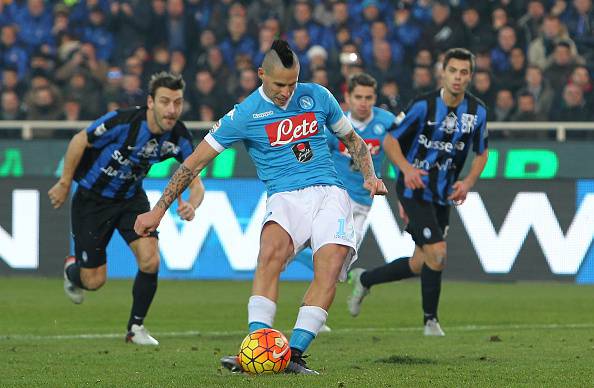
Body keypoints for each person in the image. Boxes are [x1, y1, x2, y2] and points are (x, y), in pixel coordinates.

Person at [134, 40, 386, 374]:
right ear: (261, 74)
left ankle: (293, 356)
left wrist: (370, 176)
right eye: (279, 84)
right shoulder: (244, 114)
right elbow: (191, 165)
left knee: (330, 267)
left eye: (292, 83)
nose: (286, 92)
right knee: (269, 256)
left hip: (330, 192)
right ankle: (256, 347)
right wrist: (157, 211)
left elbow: (353, 141)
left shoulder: (319, 96)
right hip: (284, 196)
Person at [48, 72, 204, 345]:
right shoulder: (123, 122)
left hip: (131, 200)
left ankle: (136, 329)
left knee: (150, 260)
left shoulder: (179, 136)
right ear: (150, 102)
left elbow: (196, 181)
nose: (171, 110)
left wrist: (192, 203)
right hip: (92, 201)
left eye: (177, 103)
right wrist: (64, 182)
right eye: (165, 101)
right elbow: (79, 140)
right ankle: (73, 270)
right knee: (94, 281)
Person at [347, 48, 489, 337]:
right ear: (443, 72)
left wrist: (468, 181)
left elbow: (482, 152)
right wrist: (407, 170)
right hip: (414, 190)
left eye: (464, 72)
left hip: (442, 194)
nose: (458, 77)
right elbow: (390, 141)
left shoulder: (477, 112)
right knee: (438, 253)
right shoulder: (424, 106)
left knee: (420, 262)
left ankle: (366, 279)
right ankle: (430, 322)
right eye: (453, 71)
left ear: (470, 76)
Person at [297, 72, 399, 333]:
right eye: (358, 97)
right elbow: (315, 151)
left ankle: (305, 257)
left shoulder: (387, 123)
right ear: (348, 98)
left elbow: (402, 151)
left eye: (369, 97)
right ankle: (314, 318)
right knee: (331, 264)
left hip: (363, 204)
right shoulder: (336, 124)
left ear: (375, 98)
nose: (363, 102)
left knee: (340, 267)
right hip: (335, 198)